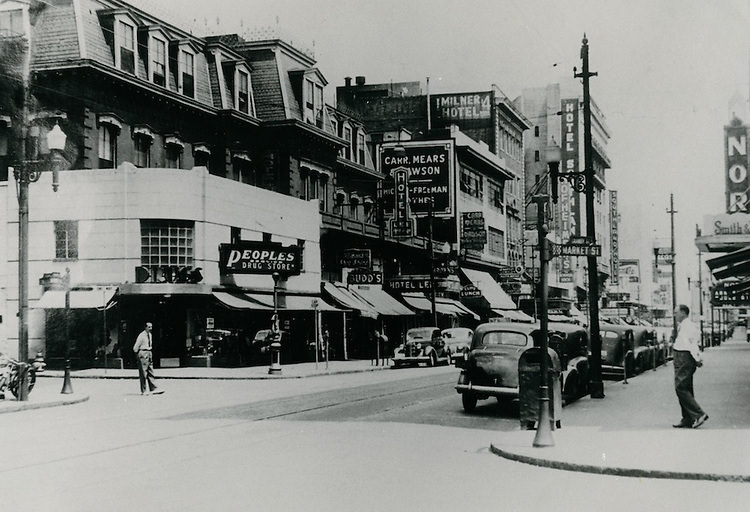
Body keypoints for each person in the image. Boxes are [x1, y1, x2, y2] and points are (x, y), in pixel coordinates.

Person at [672, 304, 707, 428]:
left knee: (680, 387)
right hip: (683, 357)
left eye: (676, 312)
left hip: (684, 357)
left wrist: (697, 358)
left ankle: (698, 414)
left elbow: (691, 344)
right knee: (686, 387)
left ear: (683, 313)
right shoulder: (685, 326)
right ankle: (687, 418)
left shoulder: (687, 327)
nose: (674, 314)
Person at [132, 322, 164, 396]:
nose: (150, 328)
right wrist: (139, 355)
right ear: (145, 327)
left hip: (149, 352)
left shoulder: (150, 335)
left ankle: (153, 388)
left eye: (151, 327)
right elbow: (135, 347)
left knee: (150, 370)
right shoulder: (141, 335)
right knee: (143, 372)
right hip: (143, 352)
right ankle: (144, 390)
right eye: (149, 327)